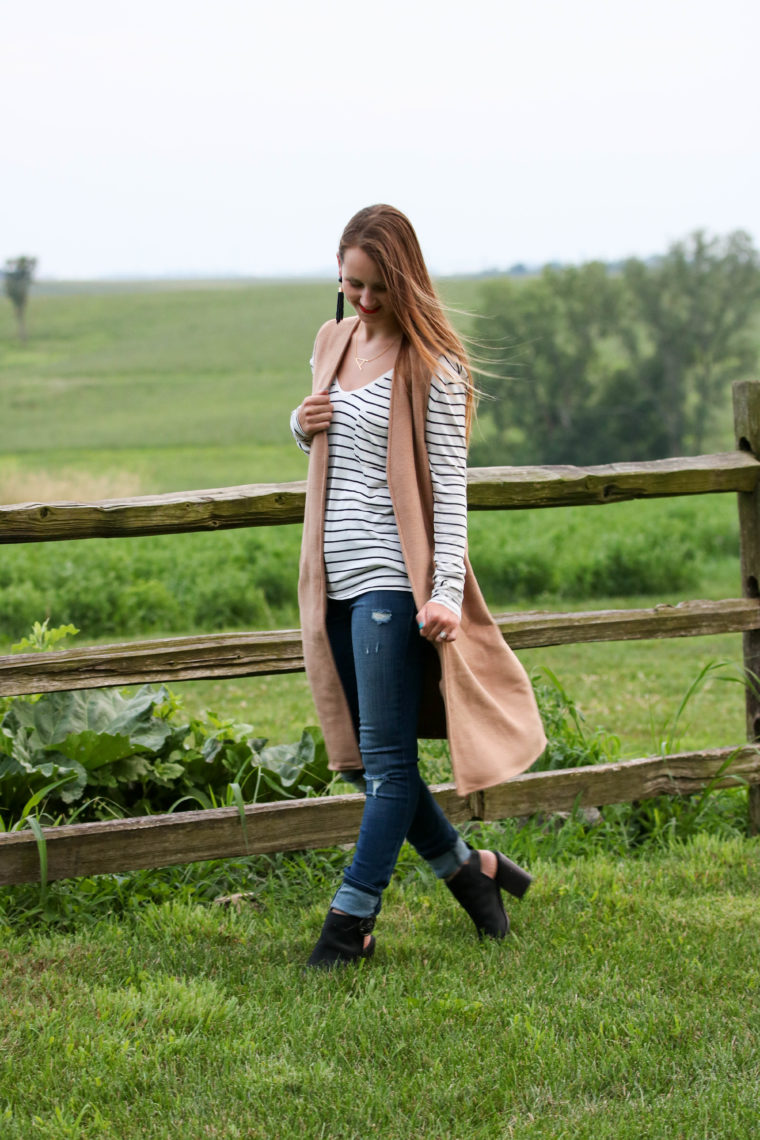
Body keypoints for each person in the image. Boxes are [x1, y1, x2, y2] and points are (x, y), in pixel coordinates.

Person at [290, 205, 546, 969]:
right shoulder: (332, 342)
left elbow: (452, 493)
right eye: (349, 285)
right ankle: (475, 874)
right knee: (372, 766)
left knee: (390, 768)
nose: (361, 301)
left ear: (401, 279)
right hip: (328, 578)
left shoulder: (433, 366)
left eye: (374, 287)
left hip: (388, 585)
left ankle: (350, 924)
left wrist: (440, 592)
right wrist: (302, 425)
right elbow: (326, 437)